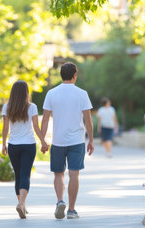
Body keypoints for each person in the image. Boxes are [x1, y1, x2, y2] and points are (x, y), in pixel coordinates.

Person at [41, 62, 94, 220]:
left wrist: (43, 141)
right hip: (77, 140)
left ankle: (59, 202)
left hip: (58, 141)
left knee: (58, 174)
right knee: (74, 174)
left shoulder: (51, 93)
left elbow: (44, 120)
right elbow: (88, 120)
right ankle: (71, 210)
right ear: (75, 75)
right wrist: (90, 140)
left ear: (61, 75)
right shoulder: (82, 93)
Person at [1, 80, 49, 219]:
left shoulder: (7, 107)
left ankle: (21, 204)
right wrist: (43, 141)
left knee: (18, 175)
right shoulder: (32, 106)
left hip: (13, 145)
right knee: (25, 174)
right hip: (28, 145)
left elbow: (5, 127)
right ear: (26, 93)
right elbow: (35, 126)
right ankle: (21, 204)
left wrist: (3, 143)